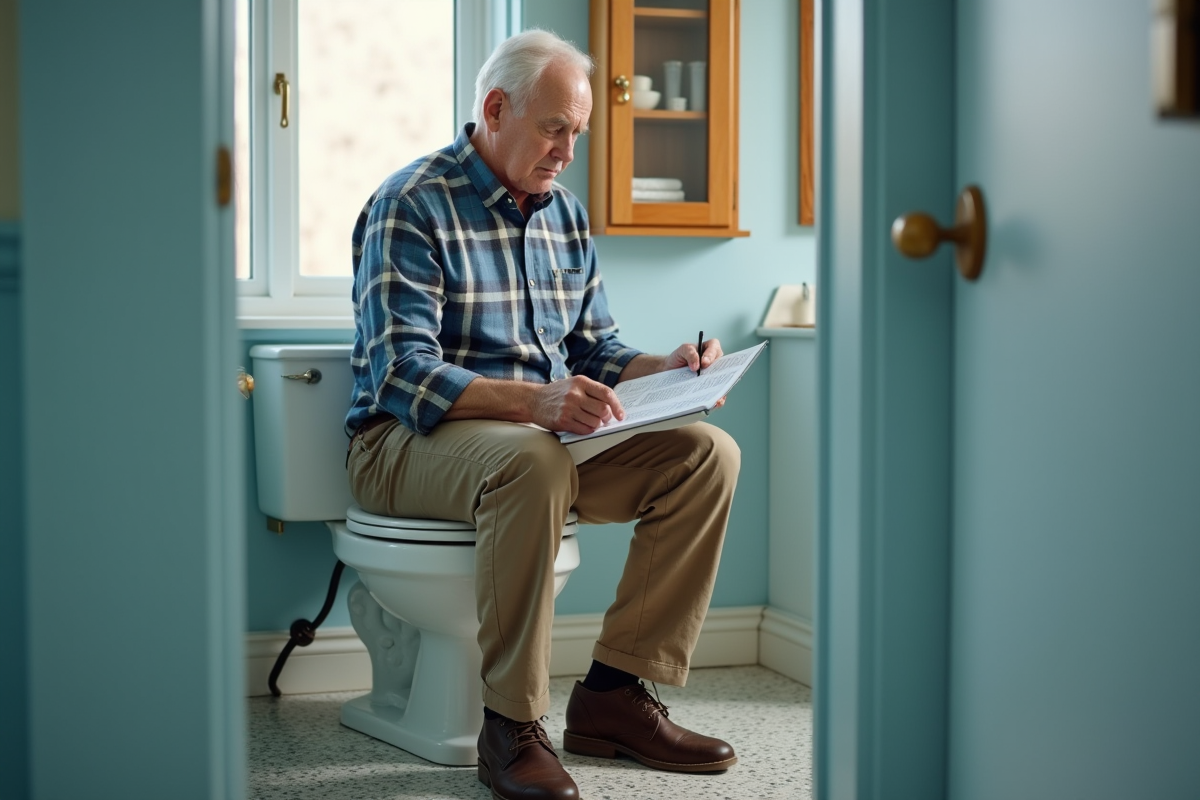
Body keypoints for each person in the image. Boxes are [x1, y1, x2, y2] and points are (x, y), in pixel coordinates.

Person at [344, 28, 742, 800]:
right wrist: (537, 403)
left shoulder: (562, 214)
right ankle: (511, 728)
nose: (567, 150)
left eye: (577, 134)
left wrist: (665, 370)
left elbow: (594, 346)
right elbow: (402, 373)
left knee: (705, 454)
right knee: (532, 460)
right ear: (496, 109)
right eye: (554, 127)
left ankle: (614, 696)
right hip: (403, 444)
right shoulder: (411, 203)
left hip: (537, 442)